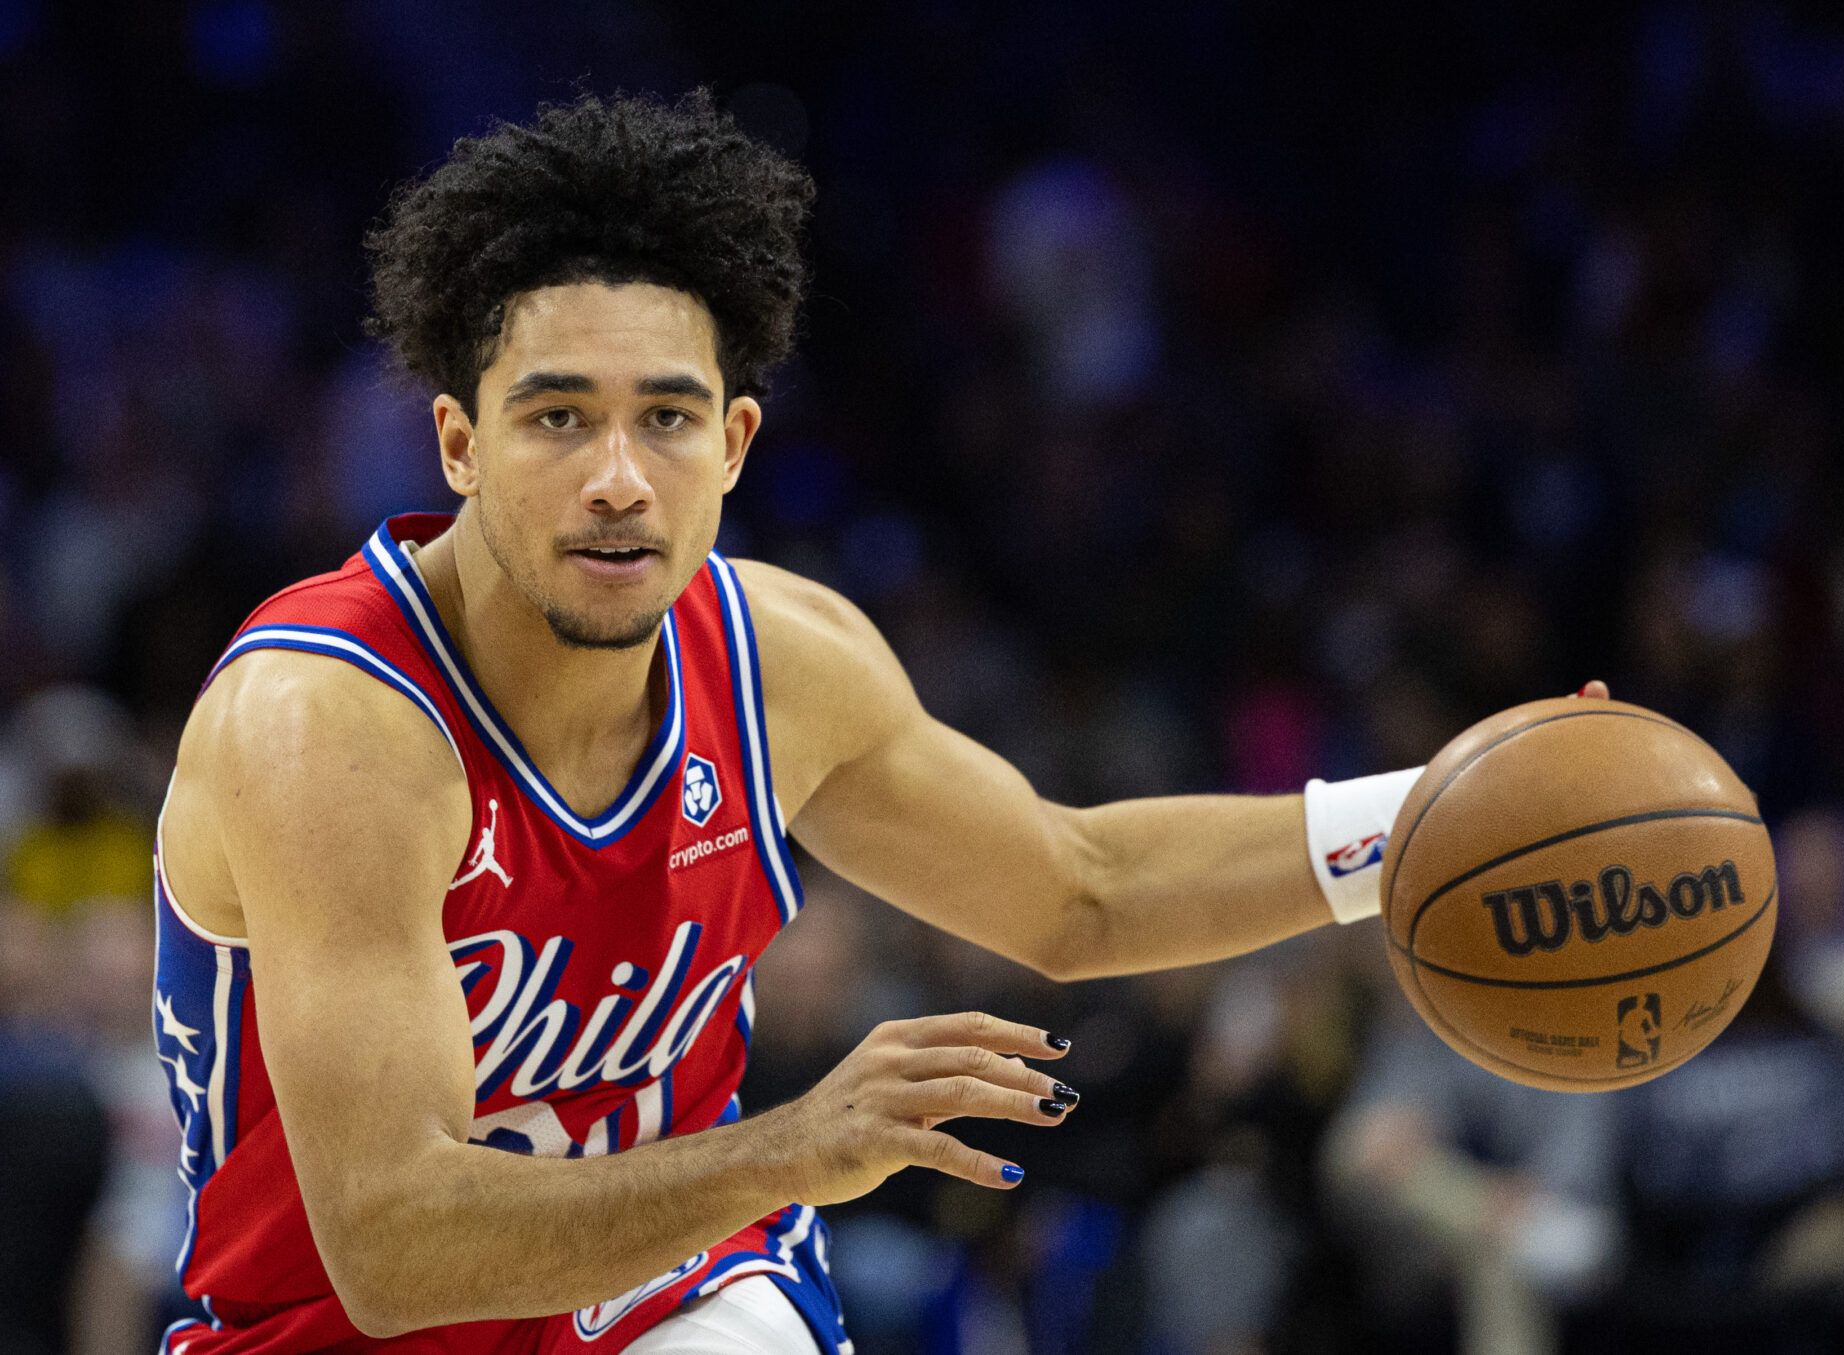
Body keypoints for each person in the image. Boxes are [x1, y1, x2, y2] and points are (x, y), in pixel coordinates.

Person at [151, 90, 1604, 1354]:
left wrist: (1426, 817)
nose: (617, 479)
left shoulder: (786, 661)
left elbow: (1080, 892)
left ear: (733, 444)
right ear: (459, 442)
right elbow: (393, 1244)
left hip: (670, 1291)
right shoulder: (329, 724)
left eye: (665, 417)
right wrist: (792, 1146)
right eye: (555, 418)